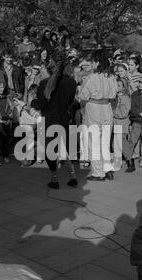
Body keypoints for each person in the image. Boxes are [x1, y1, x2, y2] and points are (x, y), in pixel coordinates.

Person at [37, 53, 78, 189]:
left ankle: (54, 178)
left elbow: (41, 103)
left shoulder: (44, 83)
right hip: (64, 118)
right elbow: (72, 102)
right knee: (65, 149)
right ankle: (73, 177)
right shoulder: (71, 82)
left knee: (50, 150)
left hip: (49, 119)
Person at [78, 49, 118, 181]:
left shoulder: (92, 77)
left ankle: (98, 172)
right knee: (105, 141)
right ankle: (108, 169)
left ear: (97, 62)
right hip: (107, 107)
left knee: (93, 140)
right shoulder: (111, 76)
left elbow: (83, 95)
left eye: (94, 61)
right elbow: (115, 92)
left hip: (94, 107)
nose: (92, 64)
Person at [112, 78, 132, 172]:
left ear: (124, 87)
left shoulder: (125, 98)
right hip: (115, 123)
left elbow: (123, 113)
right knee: (115, 144)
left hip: (121, 123)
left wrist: (112, 112)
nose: (116, 87)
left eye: (119, 85)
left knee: (122, 144)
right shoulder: (115, 96)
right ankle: (118, 162)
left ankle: (130, 162)